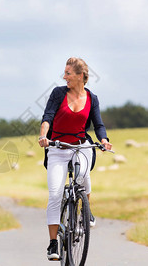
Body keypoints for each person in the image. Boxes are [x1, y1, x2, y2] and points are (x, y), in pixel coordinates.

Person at [38, 57, 112, 261]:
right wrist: (44, 136)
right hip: (57, 147)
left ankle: (85, 212)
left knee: (83, 176)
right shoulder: (58, 93)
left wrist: (104, 140)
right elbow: (47, 117)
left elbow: (98, 124)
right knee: (55, 194)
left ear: (80, 76)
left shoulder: (92, 98)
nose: (64, 77)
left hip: (81, 146)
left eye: (68, 73)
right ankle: (53, 243)